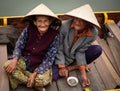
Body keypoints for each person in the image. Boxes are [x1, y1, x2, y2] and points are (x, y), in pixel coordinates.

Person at [3, 3, 61, 91]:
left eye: (45, 21)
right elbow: (19, 45)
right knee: (7, 66)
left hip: (40, 64)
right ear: (35, 22)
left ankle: (25, 78)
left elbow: (49, 58)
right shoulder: (29, 29)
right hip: (24, 59)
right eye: (39, 21)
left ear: (50, 22)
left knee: (43, 81)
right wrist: (15, 60)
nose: (43, 24)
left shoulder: (55, 35)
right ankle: (33, 84)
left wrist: (35, 73)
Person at [54, 4, 102, 88]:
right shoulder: (64, 26)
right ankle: (76, 66)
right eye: (76, 18)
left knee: (97, 49)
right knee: (53, 75)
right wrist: (62, 66)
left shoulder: (93, 33)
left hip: (73, 56)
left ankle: (73, 67)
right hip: (60, 56)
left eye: (81, 20)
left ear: (88, 23)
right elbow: (58, 47)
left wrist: (83, 75)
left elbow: (80, 51)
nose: (76, 22)